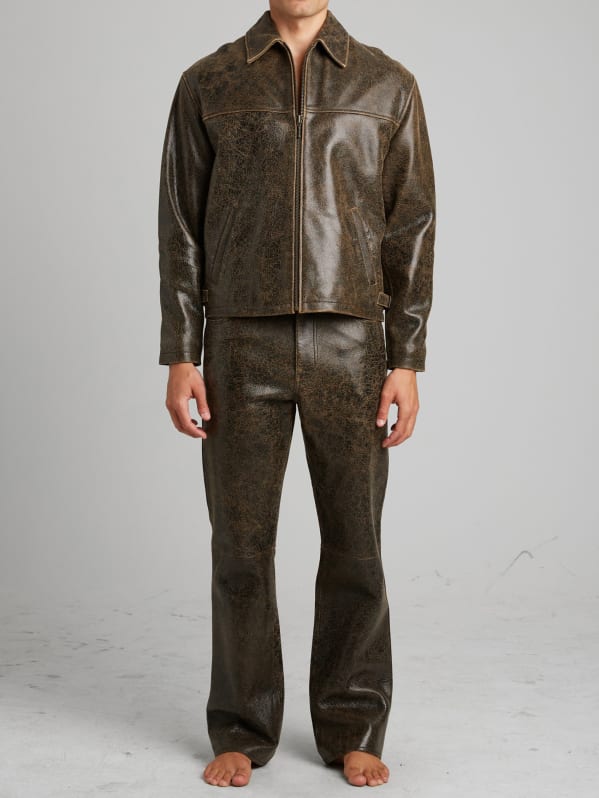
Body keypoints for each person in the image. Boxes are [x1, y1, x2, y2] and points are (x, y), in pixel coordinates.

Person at [157, 0, 435, 788]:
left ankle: (354, 725)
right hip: (238, 345)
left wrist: (406, 358)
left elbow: (411, 225)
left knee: (356, 545)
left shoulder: (386, 84)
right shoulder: (209, 82)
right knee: (240, 549)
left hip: (353, 345)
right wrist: (181, 351)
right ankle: (241, 728)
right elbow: (179, 225)